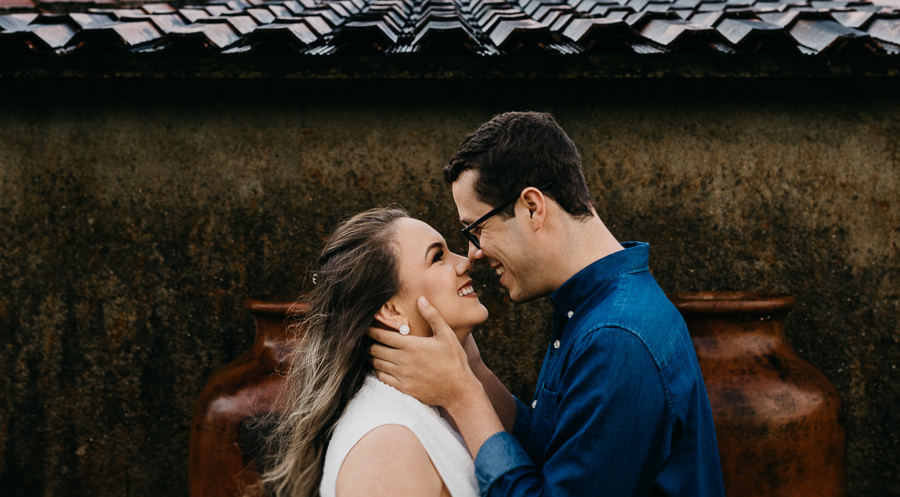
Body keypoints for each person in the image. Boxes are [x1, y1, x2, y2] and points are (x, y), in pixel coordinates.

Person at [369, 112, 725, 497]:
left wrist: (462, 396)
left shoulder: (615, 339)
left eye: (477, 229)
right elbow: (554, 448)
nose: (473, 254)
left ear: (532, 207)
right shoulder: (598, 308)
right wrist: (472, 370)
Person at [259, 207, 489, 497]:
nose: (465, 262)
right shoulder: (386, 448)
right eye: (437, 257)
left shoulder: (432, 399)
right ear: (391, 311)